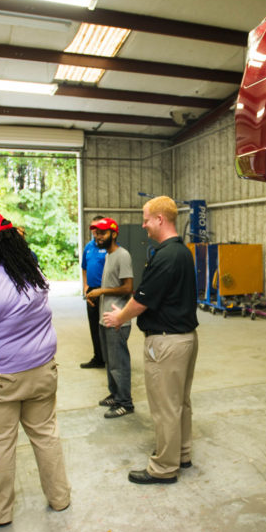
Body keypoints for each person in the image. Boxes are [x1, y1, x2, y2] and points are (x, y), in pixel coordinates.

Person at [0, 211, 71, 526]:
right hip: (42, 373)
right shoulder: (33, 275)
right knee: (46, 435)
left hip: (0, 381)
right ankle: (59, 497)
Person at [103, 196, 199, 484]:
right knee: (180, 402)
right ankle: (182, 453)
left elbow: (142, 300)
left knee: (164, 407)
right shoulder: (182, 252)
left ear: (160, 219)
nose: (143, 225)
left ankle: (164, 468)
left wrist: (120, 317)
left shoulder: (165, 257)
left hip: (166, 344)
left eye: (146, 219)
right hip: (186, 338)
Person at [85, 217, 135, 418]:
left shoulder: (122, 255)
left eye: (102, 233)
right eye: (96, 232)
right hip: (105, 317)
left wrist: (101, 291)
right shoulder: (108, 255)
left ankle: (125, 403)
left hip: (118, 319)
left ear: (114, 234)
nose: (97, 236)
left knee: (119, 363)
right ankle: (115, 395)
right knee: (110, 362)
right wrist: (94, 294)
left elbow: (128, 288)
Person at [80, 215, 108, 369]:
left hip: (106, 291)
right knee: (94, 326)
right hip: (91, 291)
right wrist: (85, 287)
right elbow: (84, 267)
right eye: (93, 229)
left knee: (108, 327)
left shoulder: (110, 248)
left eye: (98, 229)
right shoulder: (89, 247)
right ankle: (98, 358)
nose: (95, 233)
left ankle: (111, 357)